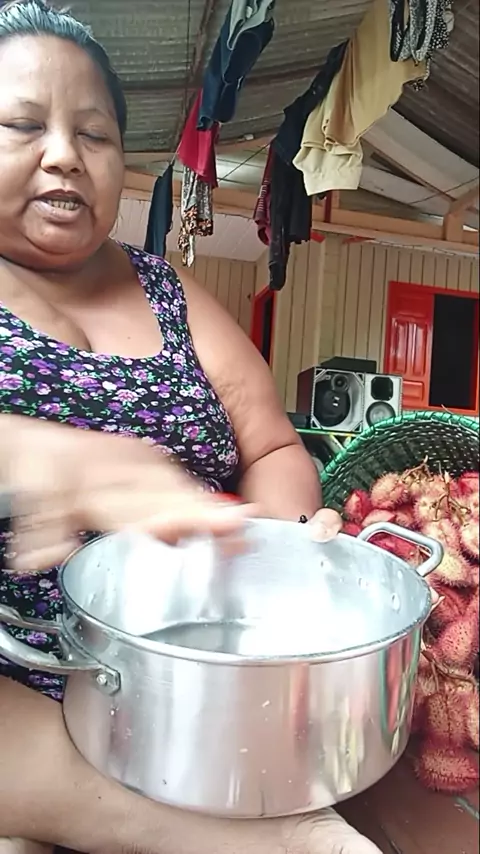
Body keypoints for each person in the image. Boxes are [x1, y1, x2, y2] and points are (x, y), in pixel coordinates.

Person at [0, 2, 381, 852]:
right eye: (22, 125)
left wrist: (272, 561)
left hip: (206, 686)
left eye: (94, 134)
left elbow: (273, 445)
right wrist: (35, 454)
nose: (64, 153)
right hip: (25, 696)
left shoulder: (166, 290)